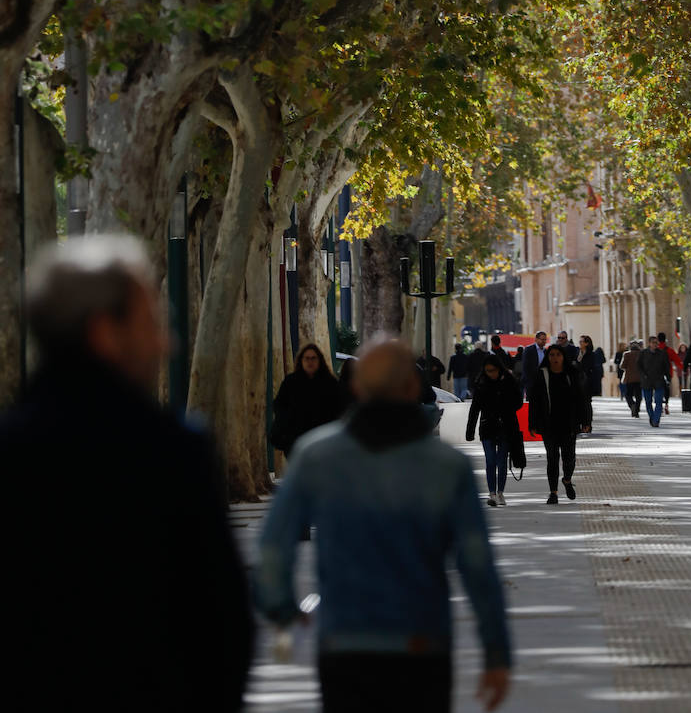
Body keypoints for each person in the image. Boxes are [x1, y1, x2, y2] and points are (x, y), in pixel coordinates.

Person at [0, 235, 253, 713]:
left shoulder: (11, 451)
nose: (167, 341)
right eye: (151, 322)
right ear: (104, 332)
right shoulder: (170, 454)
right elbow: (219, 623)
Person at [257, 339, 511, 711]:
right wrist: (496, 652)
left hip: (343, 642)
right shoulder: (447, 466)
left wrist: (282, 610)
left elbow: (274, 547)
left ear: (355, 387)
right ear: (412, 388)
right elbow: (478, 566)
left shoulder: (316, 455)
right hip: (422, 643)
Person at [527, 343, 592, 503]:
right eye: (552, 355)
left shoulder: (571, 374)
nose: (555, 358)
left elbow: (582, 398)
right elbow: (534, 400)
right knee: (552, 458)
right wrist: (533, 423)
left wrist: (586, 420)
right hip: (548, 424)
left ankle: (567, 480)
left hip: (569, 424)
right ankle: (553, 492)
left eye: (558, 355)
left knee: (569, 458)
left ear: (563, 357)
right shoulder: (541, 375)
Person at [466, 353, 524, 506]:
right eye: (487, 371)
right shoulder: (481, 383)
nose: (491, 373)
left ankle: (500, 493)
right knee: (490, 460)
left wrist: (506, 405)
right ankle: (492, 493)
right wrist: (470, 430)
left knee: (501, 462)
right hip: (487, 426)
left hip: (505, 426)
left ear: (499, 368)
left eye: (493, 370)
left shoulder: (509, 381)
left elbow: (518, 402)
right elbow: (475, 408)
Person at [271, 342, 343, 457]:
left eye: (313, 358)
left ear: (319, 360)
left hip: (321, 439)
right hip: (295, 439)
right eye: (307, 358)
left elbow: (338, 409)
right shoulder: (290, 382)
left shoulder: (330, 384)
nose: (310, 362)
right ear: (301, 360)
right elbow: (279, 405)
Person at [637, 335, 670, 427]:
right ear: (649, 343)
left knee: (658, 402)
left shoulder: (662, 354)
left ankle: (656, 420)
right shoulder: (643, 353)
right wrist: (643, 375)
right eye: (653, 343)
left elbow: (666, 366)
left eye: (657, 343)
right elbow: (639, 366)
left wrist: (668, 377)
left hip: (659, 380)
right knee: (648, 402)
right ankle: (652, 417)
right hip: (647, 380)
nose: (655, 344)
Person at [656, 332, 682, 414]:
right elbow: (677, 360)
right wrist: (683, 368)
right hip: (668, 373)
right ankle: (666, 404)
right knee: (666, 389)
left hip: (656, 373)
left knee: (658, 389)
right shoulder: (669, 350)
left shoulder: (656, 350)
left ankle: (659, 405)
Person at [521, 329, 549, 397]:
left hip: (542, 382)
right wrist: (529, 382)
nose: (544, 341)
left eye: (545, 339)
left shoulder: (546, 351)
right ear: (536, 339)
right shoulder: (529, 350)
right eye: (542, 339)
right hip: (531, 382)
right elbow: (526, 367)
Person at [620, 339, 643, 416]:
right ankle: (637, 409)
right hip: (639, 378)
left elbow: (622, 366)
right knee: (638, 395)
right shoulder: (641, 354)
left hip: (629, 378)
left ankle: (632, 405)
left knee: (628, 394)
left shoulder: (626, 354)